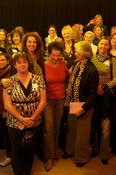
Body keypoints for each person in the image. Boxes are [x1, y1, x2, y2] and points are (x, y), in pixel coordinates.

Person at [3, 52, 46, 175]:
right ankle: (18, 172)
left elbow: (43, 102)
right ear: (15, 65)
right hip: (15, 122)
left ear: (28, 63)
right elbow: (7, 105)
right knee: (16, 149)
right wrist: (22, 119)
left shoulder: (38, 79)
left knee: (30, 148)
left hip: (34, 121)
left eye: (25, 62)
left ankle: (27, 171)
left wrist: (31, 119)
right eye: (19, 62)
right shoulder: (9, 82)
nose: (22, 64)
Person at [62, 41, 99, 167]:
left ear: (84, 54)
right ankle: (70, 151)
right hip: (73, 102)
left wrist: (83, 108)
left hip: (84, 106)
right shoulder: (77, 63)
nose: (75, 53)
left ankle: (81, 158)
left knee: (82, 134)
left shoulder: (92, 70)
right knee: (71, 130)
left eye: (77, 51)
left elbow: (93, 96)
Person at [91, 37, 116, 165]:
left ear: (109, 46)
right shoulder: (91, 59)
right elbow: (90, 75)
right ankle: (95, 149)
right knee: (94, 125)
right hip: (93, 96)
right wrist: (96, 85)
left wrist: (104, 87)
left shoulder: (113, 60)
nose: (103, 46)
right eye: (101, 44)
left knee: (106, 127)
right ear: (98, 46)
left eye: (106, 44)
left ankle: (104, 153)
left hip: (107, 97)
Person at [42, 42, 70, 171]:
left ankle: (53, 151)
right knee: (49, 127)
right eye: (53, 55)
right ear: (48, 54)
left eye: (58, 55)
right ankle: (49, 157)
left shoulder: (63, 64)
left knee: (57, 127)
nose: (55, 58)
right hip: (47, 100)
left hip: (60, 99)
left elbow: (68, 77)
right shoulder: (43, 65)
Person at [0, 53, 14, 168]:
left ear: (7, 61)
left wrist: (7, 110)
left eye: (2, 60)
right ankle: (9, 155)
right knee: (5, 134)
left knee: (11, 134)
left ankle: (12, 156)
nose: (0, 62)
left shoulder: (12, 72)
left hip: (9, 108)